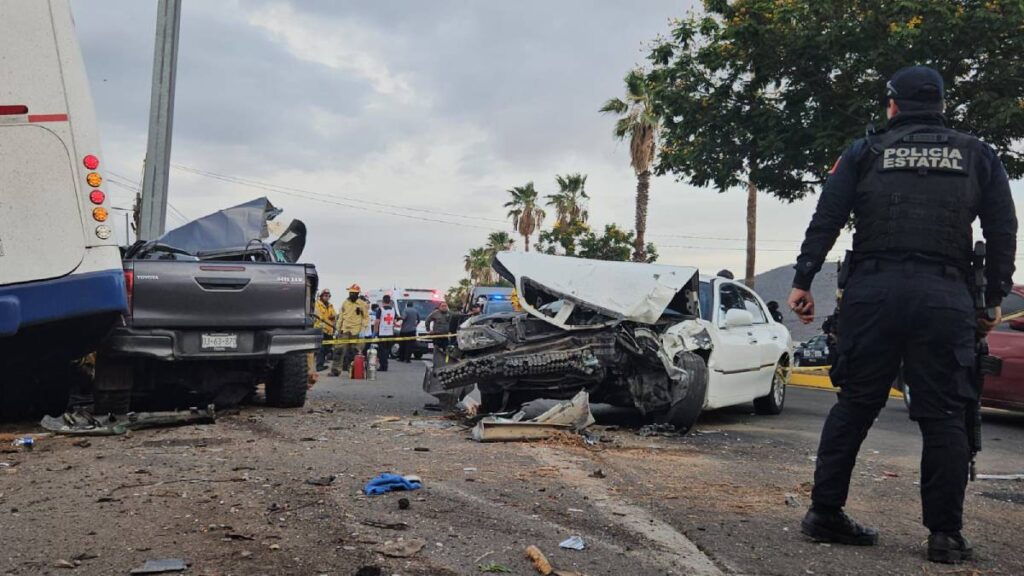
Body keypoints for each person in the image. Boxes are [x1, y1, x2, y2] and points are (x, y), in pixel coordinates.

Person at [787, 66, 1016, 563]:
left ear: (892, 105)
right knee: (945, 415)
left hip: (873, 293)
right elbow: (1003, 228)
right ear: (940, 105)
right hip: (944, 296)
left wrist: (803, 281)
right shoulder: (977, 154)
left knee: (855, 405)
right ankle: (944, 536)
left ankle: (824, 513)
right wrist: (993, 298)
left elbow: (827, 216)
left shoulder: (864, 151)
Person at [330, 284, 369, 376]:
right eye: (350, 292)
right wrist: (338, 329)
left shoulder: (362, 304)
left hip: (356, 331)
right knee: (339, 350)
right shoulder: (345, 303)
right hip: (345, 330)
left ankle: (354, 371)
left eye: (354, 293)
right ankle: (335, 371)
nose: (352, 294)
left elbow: (365, 318)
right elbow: (341, 317)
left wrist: (363, 330)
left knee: (355, 352)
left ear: (358, 294)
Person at [312, 289, 337, 371]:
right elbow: (319, 316)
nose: (327, 297)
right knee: (321, 349)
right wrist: (329, 318)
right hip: (320, 328)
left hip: (329, 330)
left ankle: (320, 362)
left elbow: (334, 315)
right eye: (325, 295)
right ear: (321, 296)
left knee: (328, 347)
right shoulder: (317, 304)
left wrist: (332, 318)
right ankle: (319, 366)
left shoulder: (330, 305)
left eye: (328, 296)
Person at [425, 301, 454, 365]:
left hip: (446, 335)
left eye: (445, 306)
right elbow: (427, 320)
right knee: (436, 349)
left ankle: (445, 362)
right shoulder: (435, 313)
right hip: (437, 334)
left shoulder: (450, 314)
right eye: (442, 306)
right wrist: (429, 330)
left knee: (446, 349)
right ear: (439, 307)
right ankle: (435, 361)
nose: (444, 307)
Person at [374, 295, 399, 372]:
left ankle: (383, 366)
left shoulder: (380, 310)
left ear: (383, 301)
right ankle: (385, 365)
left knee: (381, 351)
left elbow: (377, 321)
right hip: (390, 333)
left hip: (382, 333)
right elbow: (394, 321)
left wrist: (375, 332)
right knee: (387, 351)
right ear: (389, 301)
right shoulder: (393, 310)